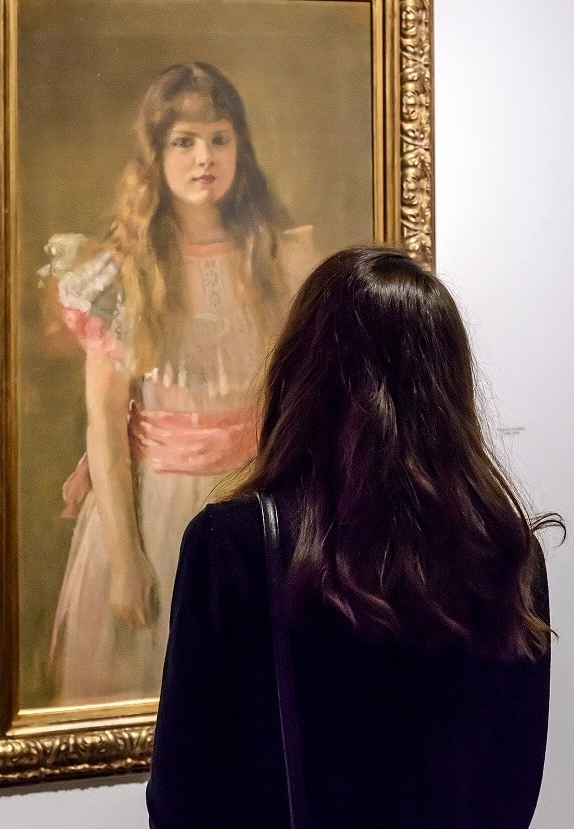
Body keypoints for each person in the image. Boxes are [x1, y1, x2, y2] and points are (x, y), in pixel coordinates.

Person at [147, 245, 563, 829]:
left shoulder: (235, 545)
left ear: (303, 370)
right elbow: (513, 788)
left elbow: (182, 797)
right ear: (448, 383)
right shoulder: (506, 554)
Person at [42, 62, 319, 703]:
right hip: (158, 505)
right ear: (156, 155)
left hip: (255, 498)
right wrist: (124, 558)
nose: (204, 159)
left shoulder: (279, 257)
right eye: (184, 142)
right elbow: (105, 426)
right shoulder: (123, 272)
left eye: (219, 139)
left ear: (240, 147)